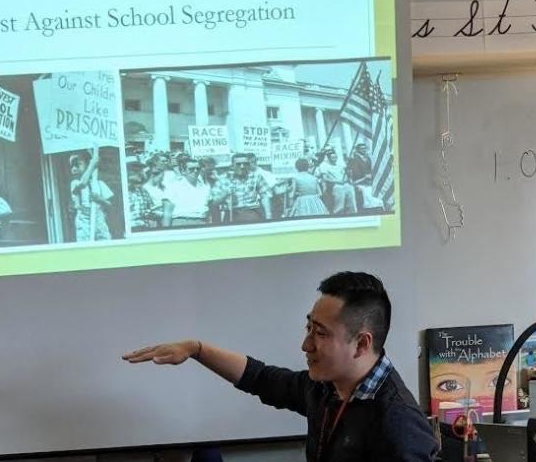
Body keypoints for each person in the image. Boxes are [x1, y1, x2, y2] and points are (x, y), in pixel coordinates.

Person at [123, 272, 438, 462]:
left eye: (321, 333)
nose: (306, 345)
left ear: (361, 343)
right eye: (308, 328)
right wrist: (196, 349)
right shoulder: (327, 388)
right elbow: (260, 378)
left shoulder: (397, 423)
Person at [69, 148, 114, 242]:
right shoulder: (75, 183)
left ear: (86, 164)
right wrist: (93, 164)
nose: (74, 168)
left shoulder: (99, 183)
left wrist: (100, 199)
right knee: (86, 245)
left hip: (99, 218)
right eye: (72, 166)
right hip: (84, 220)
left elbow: (110, 205)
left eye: (78, 164)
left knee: (104, 242)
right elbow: (83, 183)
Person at [223, 152, 272, 223]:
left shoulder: (256, 177)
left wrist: (268, 215)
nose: (242, 166)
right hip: (232, 213)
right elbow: (214, 201)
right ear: (232, 166)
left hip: (251, 212)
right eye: (238, 164)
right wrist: (224, 194)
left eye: (245, 164)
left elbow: (264, 196)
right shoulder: (225, 179)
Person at [163, 158, 212, 227]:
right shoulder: (173, 187)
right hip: (182, 222)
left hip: (202, 222)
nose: (195, 171)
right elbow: (167, 213)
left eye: (198, 169)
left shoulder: (205, 187)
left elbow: (209, 210)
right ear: (183, 171)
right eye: (191, 169)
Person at [317, 149, 357, 215]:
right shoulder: (324, 166)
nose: (335, 159)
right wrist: (337, 181)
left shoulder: (340, 165)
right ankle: (338, 215)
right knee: (339, 206)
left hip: (346, 184)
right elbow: (325, 178)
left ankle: (353, 214)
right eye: (333, 157)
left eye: (336, 157)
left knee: (352, 203)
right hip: (336, 185)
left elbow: (347, 174)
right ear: (328, 158)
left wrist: (349, 173)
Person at [346, 144, 384, 212]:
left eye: (365, 148)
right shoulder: (354, 160)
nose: (364, 150)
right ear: (358, 150)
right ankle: (371, 209)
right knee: (368, 195)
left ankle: (379, 207)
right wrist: (365, 177)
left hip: (370, 181)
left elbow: (372, 169)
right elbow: (356, 173)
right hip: (360, 182)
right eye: (361, 148)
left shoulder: (368, 158)